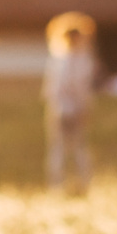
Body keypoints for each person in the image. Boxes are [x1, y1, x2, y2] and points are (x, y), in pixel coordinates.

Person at [43, 12, 97, 192]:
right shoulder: (82, 61)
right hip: (68, 108)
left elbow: (51, 88)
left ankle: (63, 185)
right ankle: (73, 183)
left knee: (64, 148)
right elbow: (80, 89)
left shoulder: (57, 59)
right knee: (73, 147)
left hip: (61, 108)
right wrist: (84, 107)